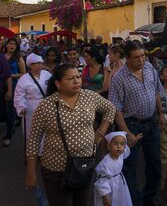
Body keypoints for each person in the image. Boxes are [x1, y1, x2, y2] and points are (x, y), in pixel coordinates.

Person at [25, 63, 116, 206]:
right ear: (58, 83)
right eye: (70, 78)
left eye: (78, 77)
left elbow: (110, 108)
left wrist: (100, 132)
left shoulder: (89, 96)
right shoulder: (46, 105)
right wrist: (31, 172)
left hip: (84, 165)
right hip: (55, 169)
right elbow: (34, 139)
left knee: (82, 202)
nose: (76, 81)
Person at [108, 41, 164, 205]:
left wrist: (161, 113)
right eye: (137, 57)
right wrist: (128, 134)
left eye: (143, 55)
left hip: (151, 122)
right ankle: (135, 200)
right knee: (129, 166)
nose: (141, 60)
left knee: (154, 162)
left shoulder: (149, 68)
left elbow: (156, 92)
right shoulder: (119, 78)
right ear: (127, 59)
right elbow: (116, 109)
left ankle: (150, 197)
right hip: (131, 124)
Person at [14, 53, 52, 146]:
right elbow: (19, 95)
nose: (40, 65)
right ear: (30, 65)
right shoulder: (24, 78)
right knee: (32, 130)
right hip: (31, 107)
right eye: (37, 63)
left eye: (41, 63)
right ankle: (33, 153)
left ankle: (46, 152)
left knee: (48, 129)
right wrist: (21, 107)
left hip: (46, 104)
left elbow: (53, 88)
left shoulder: (47, 74)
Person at [94, 131, 132, 206]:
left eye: (122, 144)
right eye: (115, 143)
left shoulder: (121, 155)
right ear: (109, 146)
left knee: (120, 201)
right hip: (109, 188)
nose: (119, 146)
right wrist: (106, 198)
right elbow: (102, 182)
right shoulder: (105, 163)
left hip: (119, 184)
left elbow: (127, 149)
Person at [1, 37, 26, 147]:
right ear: (6, 45)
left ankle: (8, 135)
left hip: (14, 85)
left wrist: (10, 75)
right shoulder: (0, 57)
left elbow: (23, 73)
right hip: (0, 85)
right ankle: (11, 128)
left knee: (10, 110)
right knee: (4, 110)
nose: (12, 46)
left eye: (14, 45)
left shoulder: (18, 57)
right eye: (10, 44)